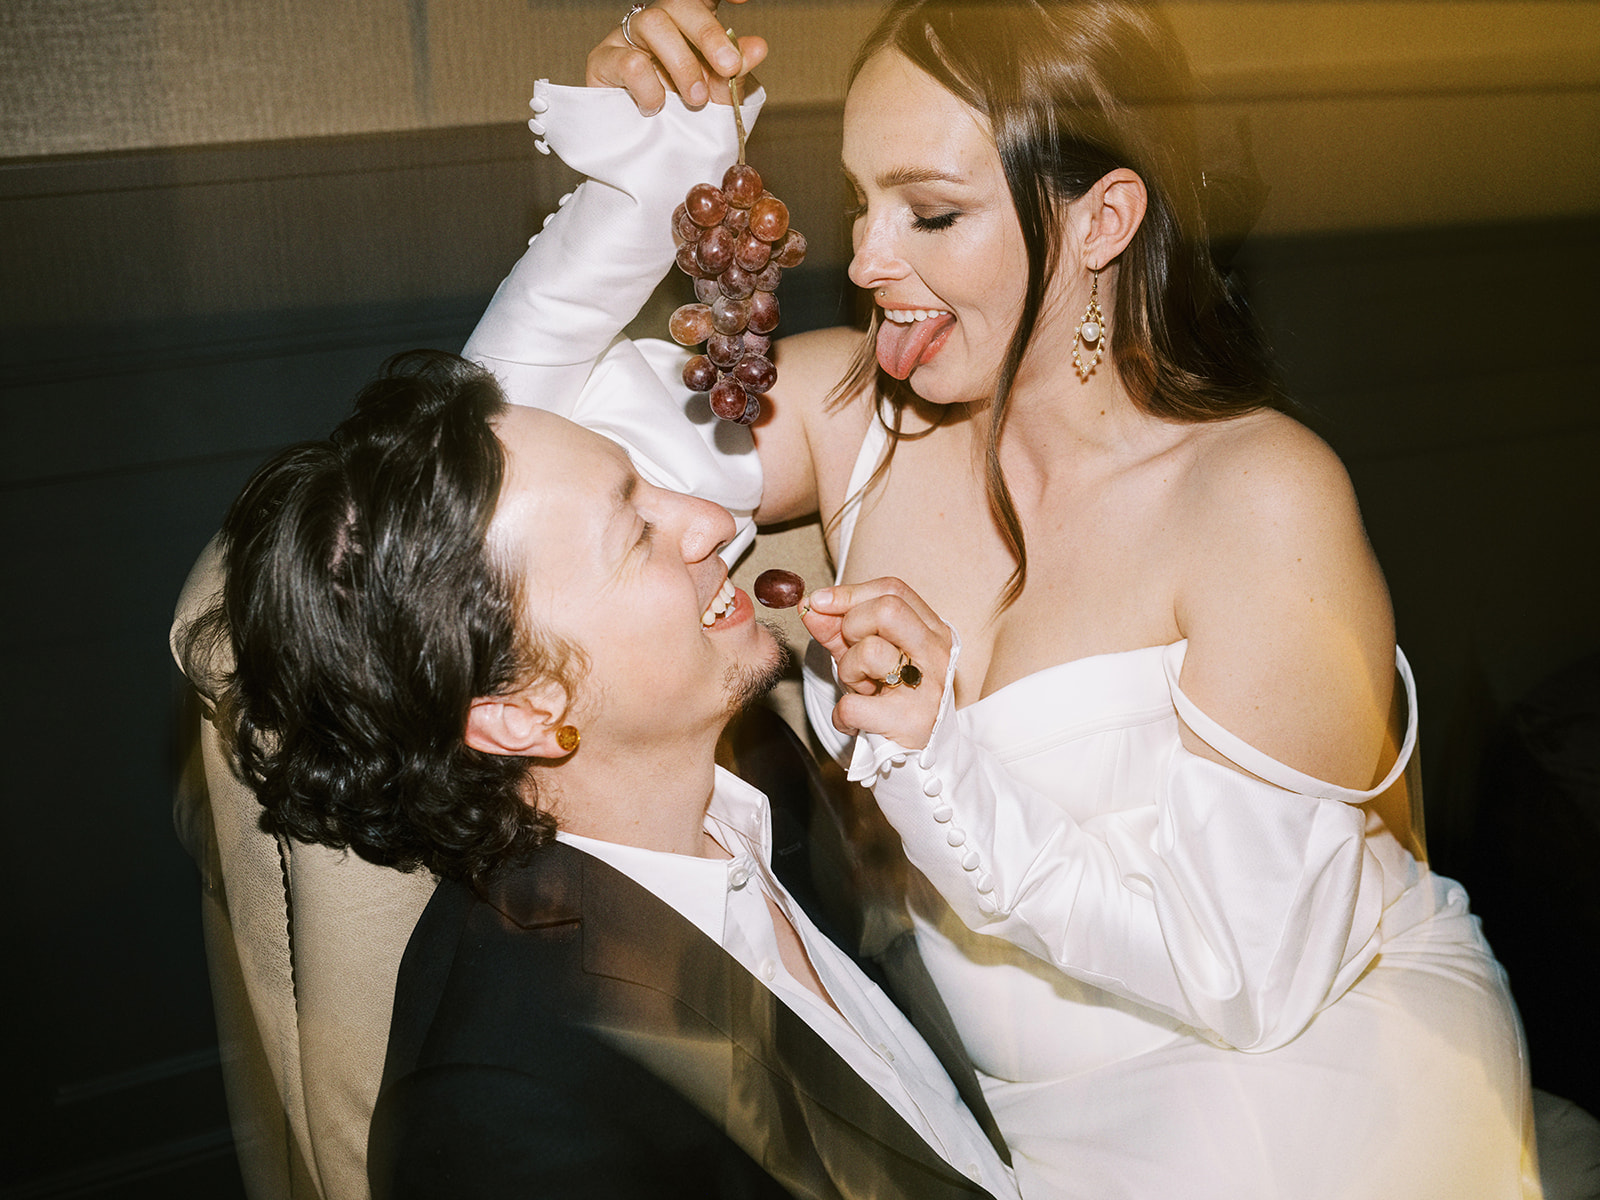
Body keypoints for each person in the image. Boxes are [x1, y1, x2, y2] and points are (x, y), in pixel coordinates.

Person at [465, 0, 1539, 1195]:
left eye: (930, 212)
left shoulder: (1258, 495)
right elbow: (489, 496)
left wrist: (940, 763)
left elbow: (1248, 979)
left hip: (1309, 1072)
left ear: (1102, 221)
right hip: (1017, 1122)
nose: (867, 259)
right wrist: (641, 181)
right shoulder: (852, 421)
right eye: (862, 199)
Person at [191, 349, 1020, 1200]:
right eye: (636, 534)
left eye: (649, 482)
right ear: (523, 713)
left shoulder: (762, 767)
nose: (712, 520)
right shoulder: (505, 1117)